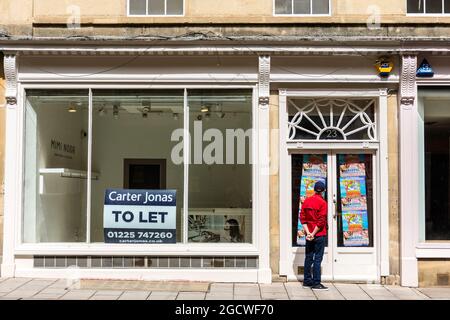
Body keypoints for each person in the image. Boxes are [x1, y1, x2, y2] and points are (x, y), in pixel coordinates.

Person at [299, 181, 329, 291]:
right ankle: (316, 283)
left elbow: (302, 218)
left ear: (314, 190)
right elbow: (321, 221)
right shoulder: (323, 203)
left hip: (309, 235)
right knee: (317, 258)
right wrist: (313, 233)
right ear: (324, 191)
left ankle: (307, 281)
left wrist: (308, 233)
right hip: (319, 234)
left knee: (308, 257)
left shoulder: (306, 201)